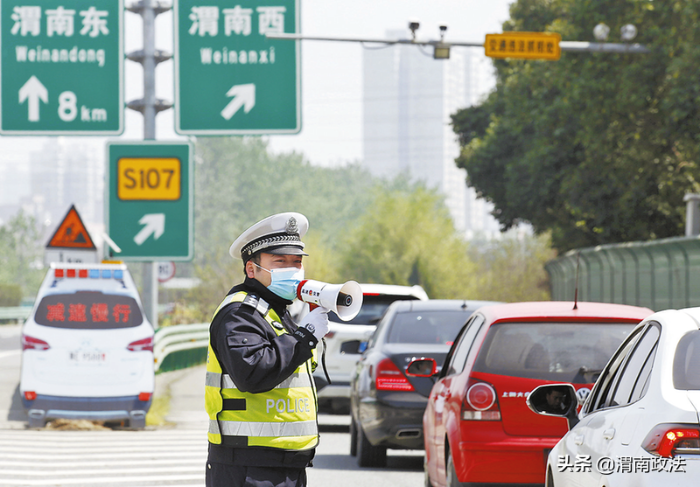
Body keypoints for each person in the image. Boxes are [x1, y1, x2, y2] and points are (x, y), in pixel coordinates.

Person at [205, 212, 330, 487]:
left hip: (283, 463)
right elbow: (253, 372)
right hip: (249, 465)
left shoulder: (274, 311)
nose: (292, 269)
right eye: (280, 261)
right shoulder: (239, 312)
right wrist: (305, 336)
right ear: (252, 269)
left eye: (296, 262)